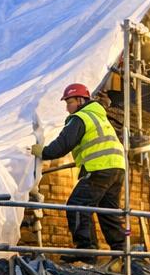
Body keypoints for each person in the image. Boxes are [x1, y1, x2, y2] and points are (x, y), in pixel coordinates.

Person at [30, 82, 127, 263]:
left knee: (77, 204)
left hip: (99, 167)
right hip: (117, 167)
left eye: (69, 103)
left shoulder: (80, 118)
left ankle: (86, 250)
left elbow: (64, 143)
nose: (67, 108)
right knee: (108, 211)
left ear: (81, 100)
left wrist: (43, 152)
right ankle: (122, 253)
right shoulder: (99, 116)